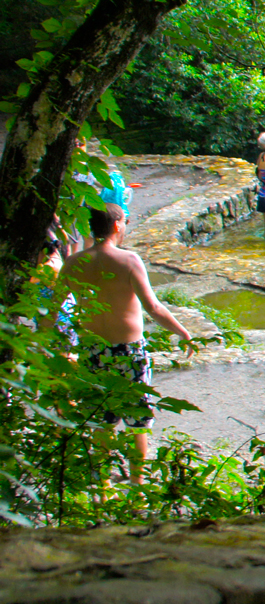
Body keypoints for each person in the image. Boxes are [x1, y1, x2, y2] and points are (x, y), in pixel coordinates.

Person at [54, 204, 193, 484]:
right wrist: (183, 332)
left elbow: (52, 308)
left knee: (100, 422)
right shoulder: (129, 260)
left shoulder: (73, 262)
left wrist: (49, 348)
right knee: (137, 425)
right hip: (129, 352)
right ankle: (137, 488)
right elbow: (152, 307)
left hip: (92, 351)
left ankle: (103, 488)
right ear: (118, 225)